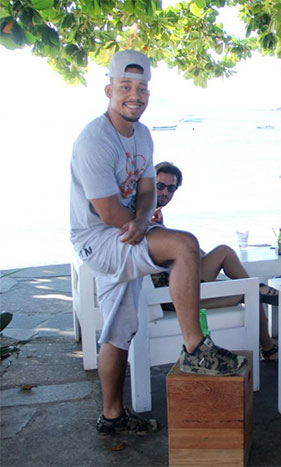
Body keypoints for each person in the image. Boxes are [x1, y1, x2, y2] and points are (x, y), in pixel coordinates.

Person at [70, 50, 246, 436]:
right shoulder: (94, 141)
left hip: (128, 229)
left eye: (142, 88)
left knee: (119, 328)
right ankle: (196, 347)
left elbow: (147, 189)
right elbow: (106, 211)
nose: (135, 95)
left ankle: (112, 416)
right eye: (126, 87)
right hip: (99, 239)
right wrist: (136, 223)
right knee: (184, 246)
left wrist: (143, 217)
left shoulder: (144, 135)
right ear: (109, 90)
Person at [152, 161, 279, 361]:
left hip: (176, 280)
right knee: (250, 294)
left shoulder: (153, 215)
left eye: (171, 188)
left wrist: (200, 256)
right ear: (149, 184)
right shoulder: (145, 218)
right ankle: (269, 349)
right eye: (160, 186)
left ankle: (255, 286)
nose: (165, 192)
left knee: (223, 251)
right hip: (173, 295)